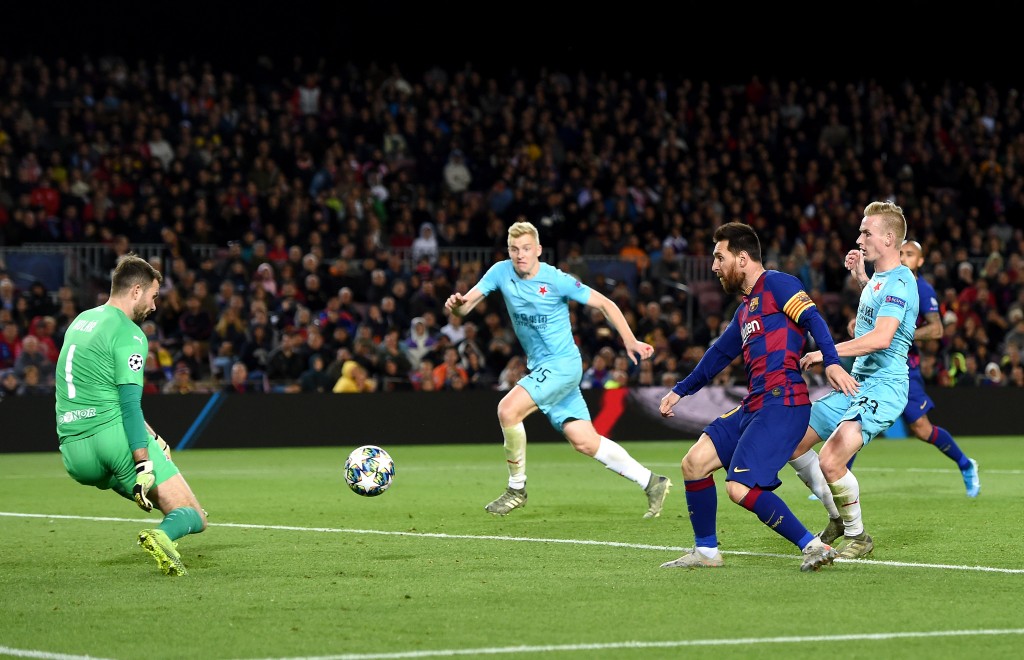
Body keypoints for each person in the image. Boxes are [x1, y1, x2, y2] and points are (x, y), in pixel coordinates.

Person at [658, 221, 859, 571]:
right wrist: (680, 390)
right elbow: (718, 355)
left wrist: (831, 361)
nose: (714, 266)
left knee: (738, 487)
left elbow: (813, 319)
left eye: (719, 257)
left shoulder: (778, 284)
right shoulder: (745, 309)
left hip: (783, 401)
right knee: (694, 463)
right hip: (756, 403)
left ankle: (813, 546)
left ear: (742, 258)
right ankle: (706, 552)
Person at [445, 219, 671, 518]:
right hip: (544, 368)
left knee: (507, 410)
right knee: (584, 441)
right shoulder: (500, 271)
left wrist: (629, 340)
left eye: (526, 248)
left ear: (538, 250)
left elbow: (605, 304)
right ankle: (652, 482)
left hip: (563, 365)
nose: (520, 255)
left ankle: (516, 489)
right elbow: (466, 306)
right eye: (514, 249)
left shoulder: (556, 280)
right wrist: (457, 305)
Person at [55, 253, 207, 576]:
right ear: (136, 291)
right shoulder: (130, 334)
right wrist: (143, 461)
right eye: (153, 296)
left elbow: (100, 392)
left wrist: (153, 436)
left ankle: (165, 504)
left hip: (74, 451)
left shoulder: (81, 321)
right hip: (112, 440)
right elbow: (128, 404)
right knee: (193, 513)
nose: (154, 306)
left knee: (168, 497)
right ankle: (164, 534)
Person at [789, 201, 919, 566]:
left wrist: (826, 353)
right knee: (792, 441)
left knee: (831, 459)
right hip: (857, 383)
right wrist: (861, 276)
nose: (859, 239)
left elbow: (882, 338)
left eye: (866, 232)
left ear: (889, 238)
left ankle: (858, 536)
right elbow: (878, 301)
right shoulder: (880, 279)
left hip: (884, 386)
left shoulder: (902, 281)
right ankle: (837, 517)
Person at [895, 240, 980, 495]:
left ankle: (965, 464)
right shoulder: (886, 283)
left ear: (920, 261)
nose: (903, 257)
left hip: (905, 368)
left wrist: (903, 334)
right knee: (858, 420)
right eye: (900, 253)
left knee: (922, 429)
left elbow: (937, 329)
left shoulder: (922, 289)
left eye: (910, 254)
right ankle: (833, 480)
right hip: (878, 364)